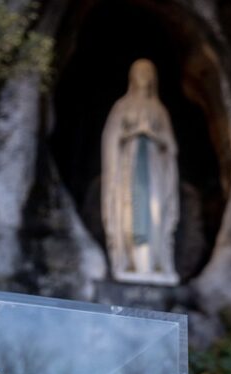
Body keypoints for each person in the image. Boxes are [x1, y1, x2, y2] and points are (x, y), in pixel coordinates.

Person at [101, 59, 179, 284]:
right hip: (129, 173)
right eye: (139, 71)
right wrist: (133, 133)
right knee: (128, 216)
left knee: (155, 215)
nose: (144, 76)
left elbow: (171, 146)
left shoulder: (159, 110)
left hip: (153, 174)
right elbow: (110, 139)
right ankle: (130, 263)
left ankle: (152, 266)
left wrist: (152, 135)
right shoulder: (122, 107)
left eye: (148, 72)